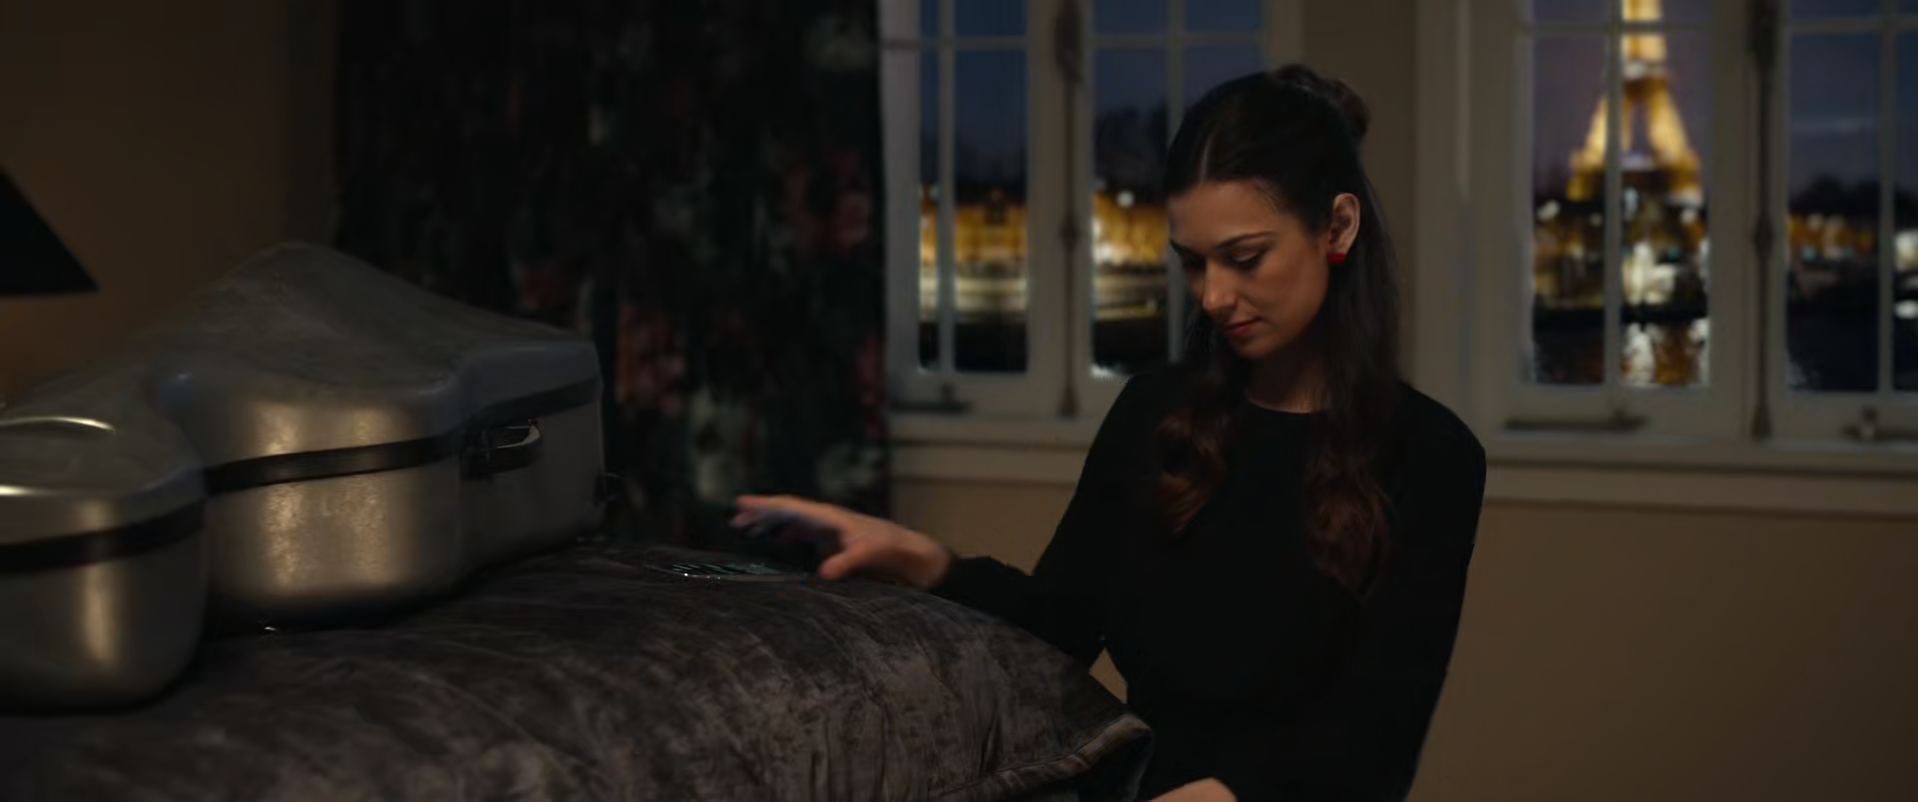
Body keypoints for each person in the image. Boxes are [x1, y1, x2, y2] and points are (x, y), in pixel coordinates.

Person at [734, 64, 1486, 802]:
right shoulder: (1156, 415)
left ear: (1338, 228)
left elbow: (1373, 743)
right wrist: (921, 558)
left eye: (1245, 258)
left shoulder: (1432, 456)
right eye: (1193, 264)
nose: (1214, 298)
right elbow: (1058, 627)